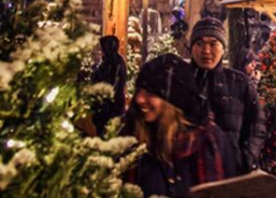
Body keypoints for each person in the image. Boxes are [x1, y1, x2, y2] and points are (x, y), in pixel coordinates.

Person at [123, 54, 236, 197]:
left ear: (174, 102)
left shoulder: (212, 143)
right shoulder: (133, 140)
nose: (139, 99)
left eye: (150, 93)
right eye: (139, 90)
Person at [189, 17, 265, 174]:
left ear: (223, 48)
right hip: (191, 173)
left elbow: (256, 123)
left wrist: (247, 157)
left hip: (231, 173)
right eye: (199, 43)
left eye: (213, 43)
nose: (206, 50)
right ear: (191, 47)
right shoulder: (181, 81)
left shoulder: (239, 82)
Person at [91, 35, 127, 136]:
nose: (101, 50)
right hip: (105, 104)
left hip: (111, 105)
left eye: (102, 48)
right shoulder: (107, 62)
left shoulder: (116, 63)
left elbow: (113, 83)